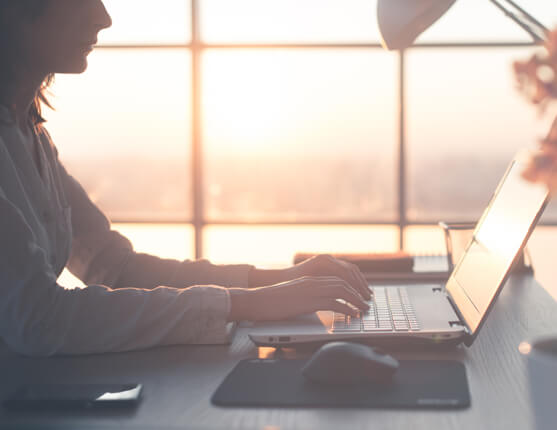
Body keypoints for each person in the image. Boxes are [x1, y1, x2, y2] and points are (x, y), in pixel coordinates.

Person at [0, 0, 372, 357]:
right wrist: (251, 303)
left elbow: (116, 267)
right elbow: (37, 317)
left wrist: (275, 280)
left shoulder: (29, 132)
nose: (104, 17)